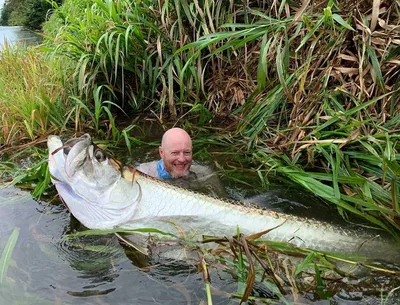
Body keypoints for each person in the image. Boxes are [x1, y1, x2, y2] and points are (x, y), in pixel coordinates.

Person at [136, 128, 226, 197]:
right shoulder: (142, 175)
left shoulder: (205, 174)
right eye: (175, 153)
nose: (182, 159)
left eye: (187, 152)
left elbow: (223, 201)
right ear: (161, 153)